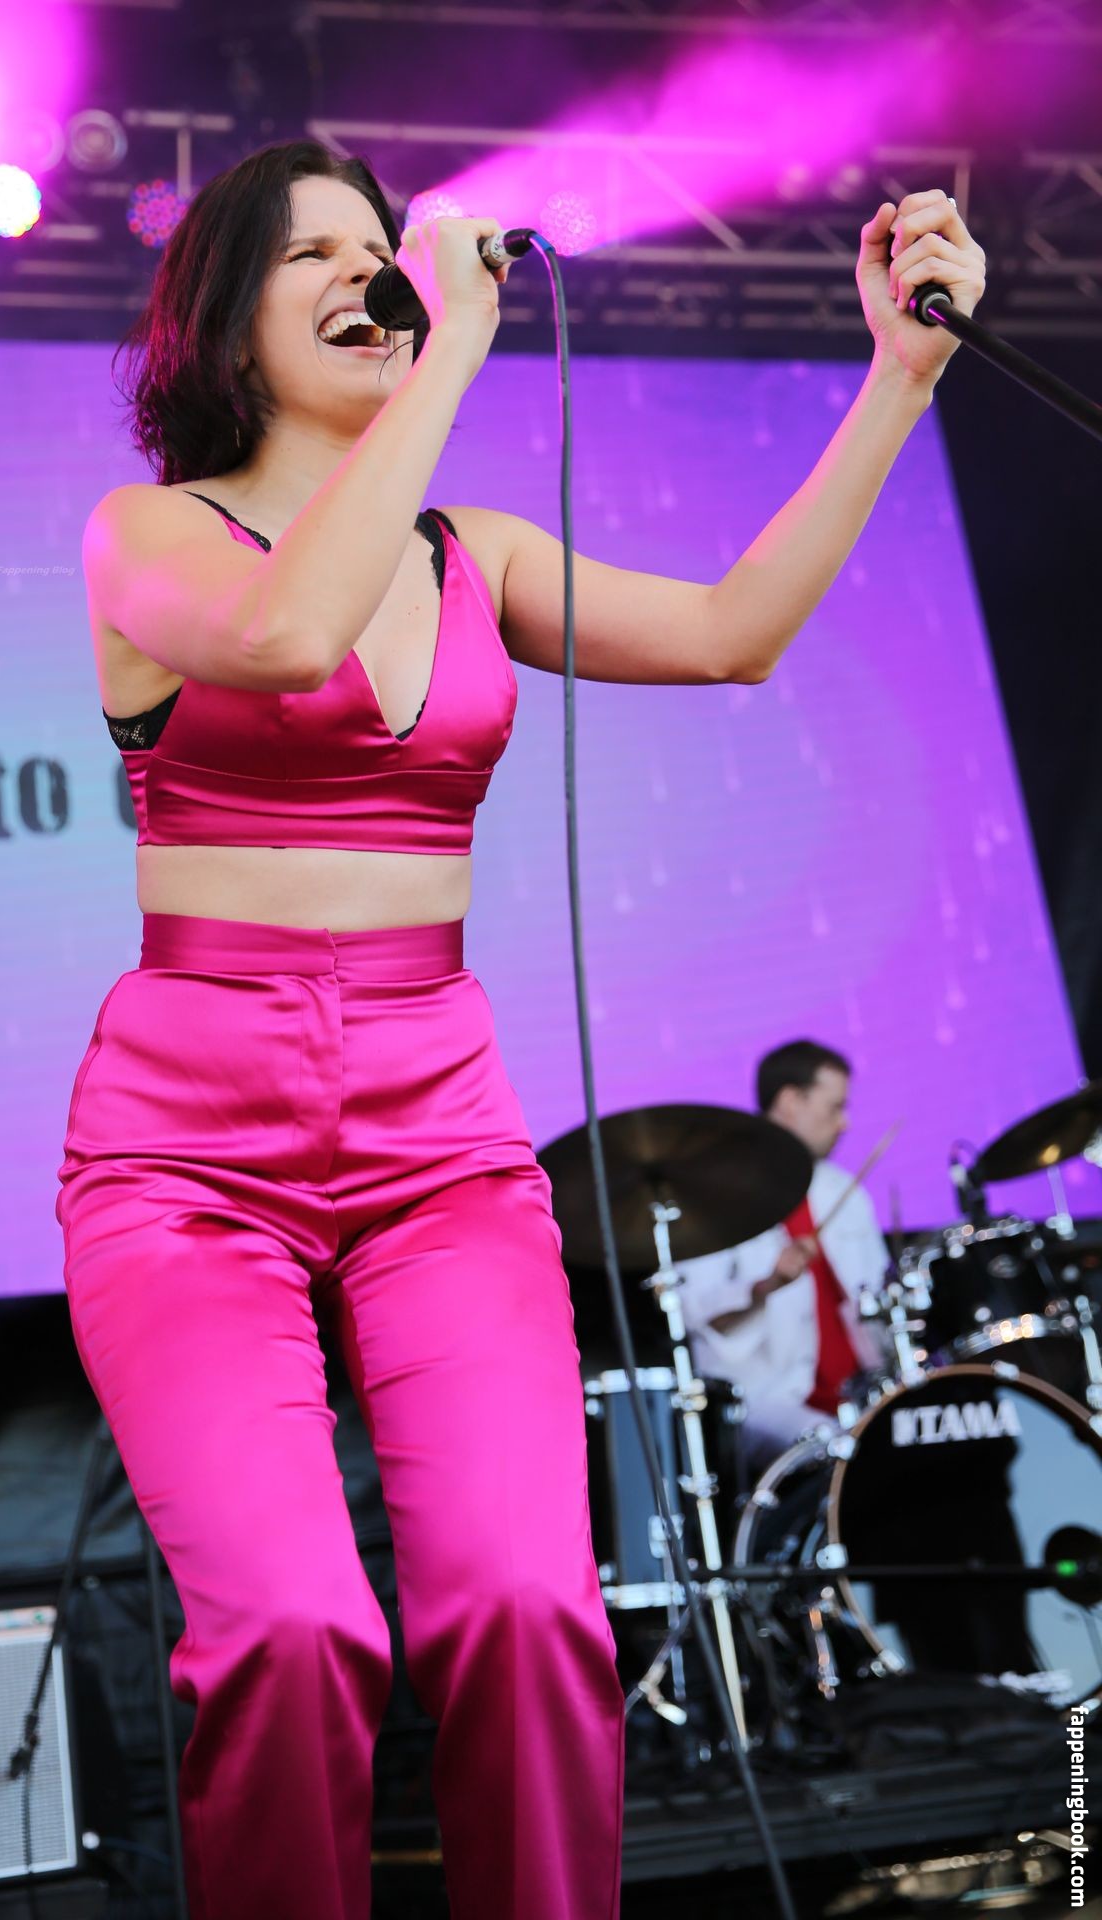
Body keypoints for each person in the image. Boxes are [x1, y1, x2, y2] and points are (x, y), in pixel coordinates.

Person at [54, 135, 985, 1920]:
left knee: (527, 1612)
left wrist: (901, 376)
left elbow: (731, 633)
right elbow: (289, 629)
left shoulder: (473, 555)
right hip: (187, 1154)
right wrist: (454, 349)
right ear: (226, 321)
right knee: (295, 1636)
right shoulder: (151, 535)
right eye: (315, 254)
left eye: (380, 244)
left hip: (439, 1139)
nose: (371, 270)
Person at [678, 1041, 893, 1469]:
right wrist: (766, 1285)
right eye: (835, 1107)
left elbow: (877, 1302)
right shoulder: (715, 1192)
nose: (845, 1122)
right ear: (791, 1101)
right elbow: (695, 1311)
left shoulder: (845, 1192)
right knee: (845, 1452)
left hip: (861, 1394)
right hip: (765, 1400)